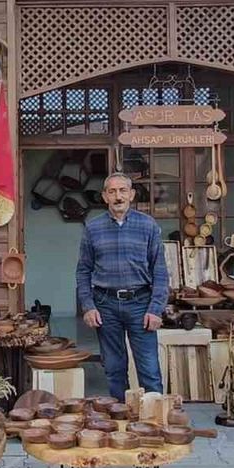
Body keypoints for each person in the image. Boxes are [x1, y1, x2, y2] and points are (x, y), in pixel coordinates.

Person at [75, 172, 169, 401]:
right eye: (112, 191)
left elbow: (160, 271)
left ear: (132, 194)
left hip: (141, 305)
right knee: (114, 369)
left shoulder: (148, 225)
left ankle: (154, 418)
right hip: (105, 305)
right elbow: (83, 271)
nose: (118, 196)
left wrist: (156, 309)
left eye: (123, 191)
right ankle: (121, 418)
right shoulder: (93, 228)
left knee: (149, 369)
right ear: (105, 196)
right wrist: (88, 306)